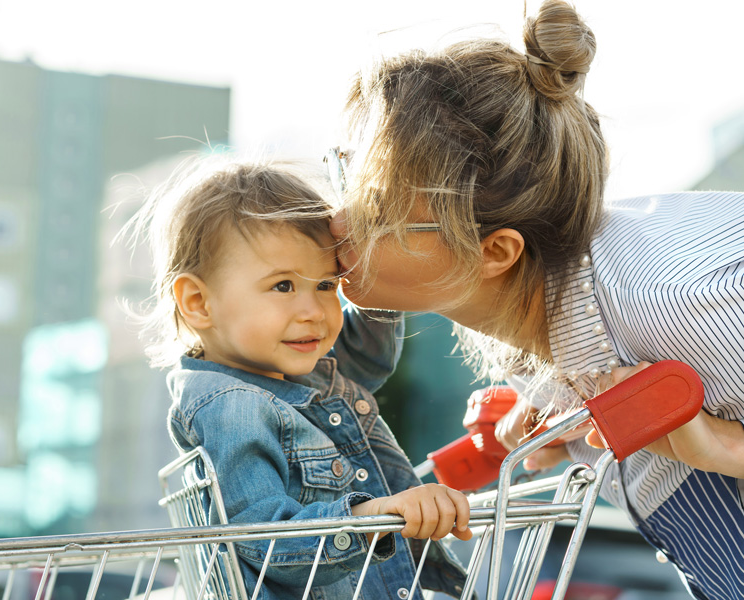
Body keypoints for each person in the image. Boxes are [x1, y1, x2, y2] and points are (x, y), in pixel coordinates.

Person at [325, 1, 744, 599]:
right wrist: (557, 402)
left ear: (493, 252)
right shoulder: (546, 315)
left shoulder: (682, 300)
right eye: (345, 179)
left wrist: (727, 446)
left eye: (378, 209)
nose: (338, 220)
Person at [125, 156, 472, 600]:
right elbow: (266, 538)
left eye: (326, 285)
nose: (313, 311)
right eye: (284, 286)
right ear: (198, 302)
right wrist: (370, 517)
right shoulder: (231, 405)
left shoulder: (294, 370)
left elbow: (369, 355)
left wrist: (376, 262)